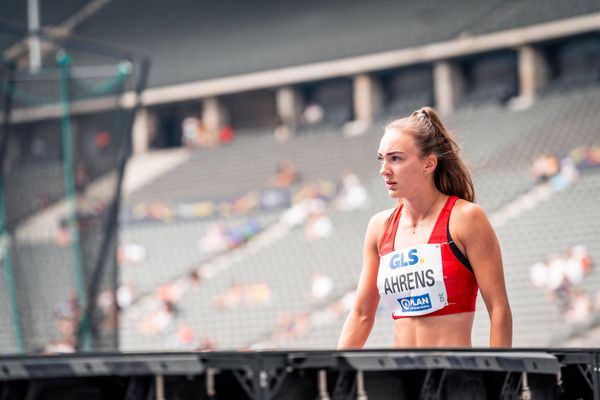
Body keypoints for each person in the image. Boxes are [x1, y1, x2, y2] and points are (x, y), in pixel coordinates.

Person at [337, 107, 512, 349]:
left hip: (455, 376)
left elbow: (499, 308)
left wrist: (500, 379)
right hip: (404, 379)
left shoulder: (466, 218)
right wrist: (336, 375)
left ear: (429, 164)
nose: (383, 170)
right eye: (382, 159)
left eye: (395, 158)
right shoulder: (379, 227)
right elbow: (361, 314)